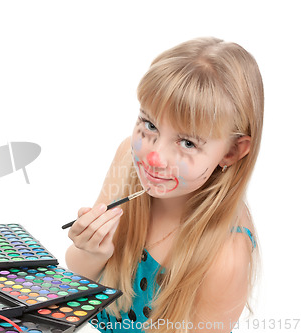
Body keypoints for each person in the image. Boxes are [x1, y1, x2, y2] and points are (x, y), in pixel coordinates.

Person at [65, 37, 263, 333]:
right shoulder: (128, 160)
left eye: (187, 142)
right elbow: (79, 279)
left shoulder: (226, 257)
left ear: (232, 152)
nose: (155, 158)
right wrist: (92, 252)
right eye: (150, 125)